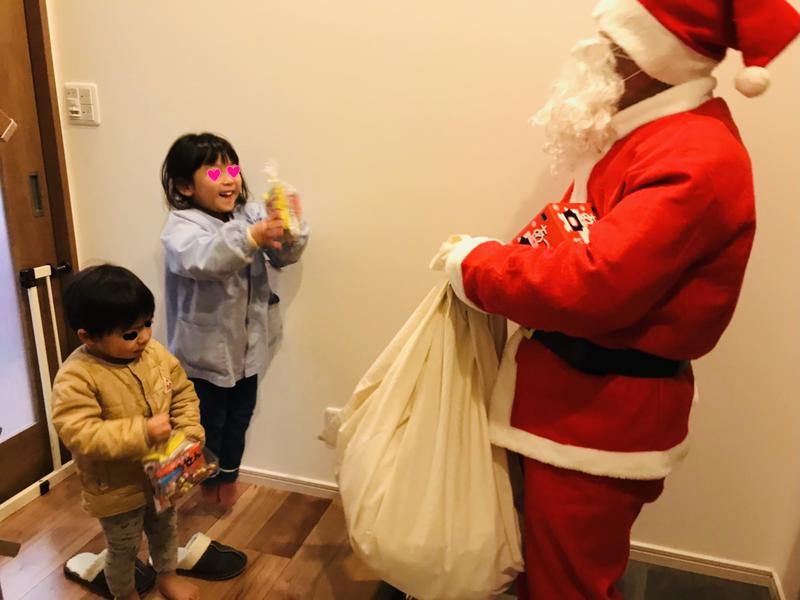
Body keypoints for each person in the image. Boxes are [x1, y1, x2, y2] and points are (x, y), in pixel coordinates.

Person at [438, 0, 800, 598]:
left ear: (654, 57)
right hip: (574, 404)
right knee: (548, 562)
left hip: (597, 418)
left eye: (612, 43)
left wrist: (475, 267)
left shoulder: (692, 155)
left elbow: (592, 284)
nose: (593, 54)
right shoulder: (653, 138)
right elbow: (573, 227)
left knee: (568, 582)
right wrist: (510, 257)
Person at [160, 132, 308, 511]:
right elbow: (206, 260)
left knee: (238, 418)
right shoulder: (182, 227)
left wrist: (289, 226)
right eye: (213, 172)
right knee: (203, 424)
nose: (228, 178)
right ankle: (190, 487)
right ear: (183, 186)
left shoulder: (250, 215)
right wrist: (252, 236)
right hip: (203, 356)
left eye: (233, 168)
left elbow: (283, 257)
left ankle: (227, 477)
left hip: (248, 351)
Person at [53, 264, 203, 600]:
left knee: (166, 530)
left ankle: (167, 576)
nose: (145, 338)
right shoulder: (76, 377)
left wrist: (189, 431)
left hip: (164, 474)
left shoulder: (155, 354)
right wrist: (143, 432)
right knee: (123, 547)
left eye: (147, 324)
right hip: (115, 488)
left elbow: (181, 392)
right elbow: (80, 433)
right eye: (130, 334)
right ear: (87, 336)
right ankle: (125, 594)